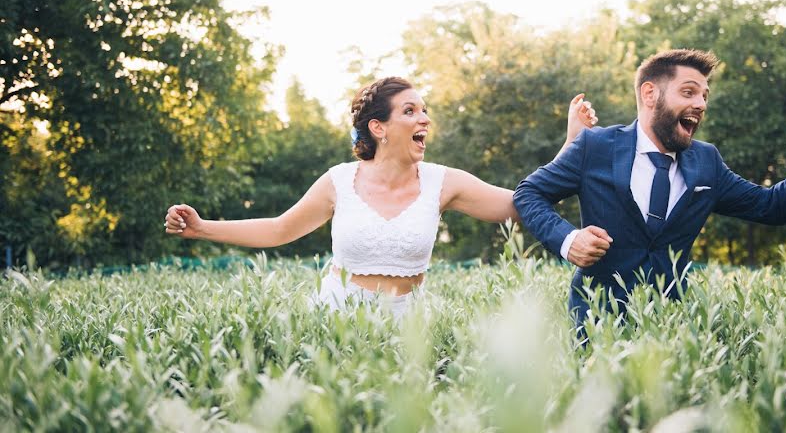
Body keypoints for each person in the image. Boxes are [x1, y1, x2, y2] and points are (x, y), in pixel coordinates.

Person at [164, 76, 597, 318]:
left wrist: (572, 144)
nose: (424, 118)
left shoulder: (443, 182)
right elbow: (279, 229)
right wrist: (203, 228)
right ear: (378, 127)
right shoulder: (338, 181)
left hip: (410, 321)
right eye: (410, 111)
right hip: (336, 316)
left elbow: (524, 205)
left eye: (424, 110)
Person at [513, 49, 786, 334]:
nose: (701, 104)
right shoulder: (596, 146)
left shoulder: (707, 162)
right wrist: (568, 239)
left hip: (673, 333)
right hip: (595, 330)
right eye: (689, 92)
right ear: (650, 94)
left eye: (704, 95)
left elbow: (774, 206)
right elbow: (529, 192)